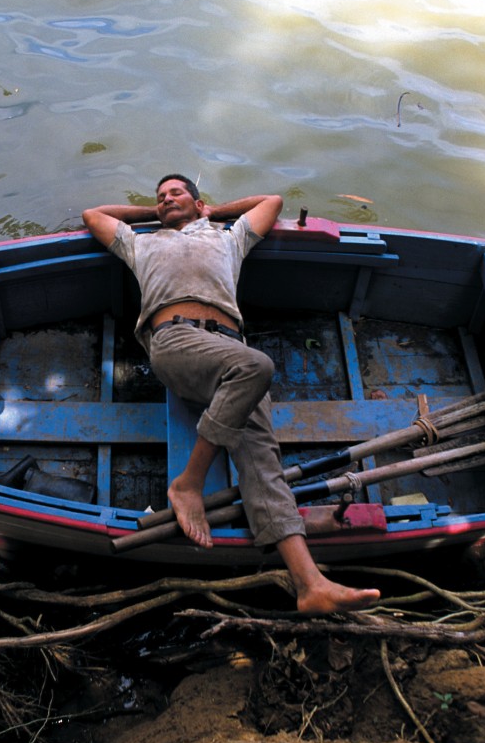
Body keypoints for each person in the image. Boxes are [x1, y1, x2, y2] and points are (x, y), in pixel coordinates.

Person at [83, 174, 380, 615]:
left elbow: (272, 200)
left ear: (199, 201)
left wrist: (211, 213)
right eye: (160, 197)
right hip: (176, 344)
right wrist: (158, 215)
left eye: (175, 193)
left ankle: (310, 584)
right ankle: (189, 484)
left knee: (263, 463)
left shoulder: (229, 237)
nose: (166, 200)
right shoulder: (140, 243)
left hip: (227, 351)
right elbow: (95, 216)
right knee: (256, 365)